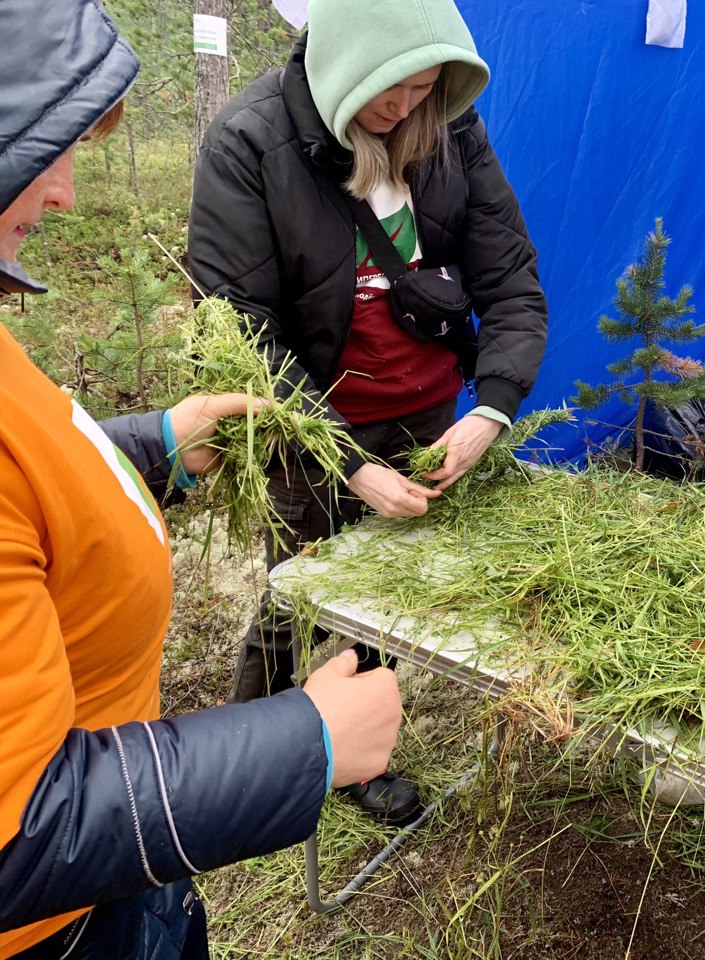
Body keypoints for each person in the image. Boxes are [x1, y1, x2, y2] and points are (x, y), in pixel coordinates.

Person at [0, 1, 406, 957]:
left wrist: (143, 445)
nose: (62, 193)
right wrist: (303, 744)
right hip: (59, 931)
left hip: (116, 885)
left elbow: (27, 467)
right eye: (41, 152)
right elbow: (20, 830)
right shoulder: (253, 140)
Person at [187, 0, 548, 824]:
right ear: (347, 65)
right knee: (299, 588)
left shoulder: (450, 129)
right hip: (310, 424)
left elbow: (513, 285)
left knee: (379, 592)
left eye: (427, 90)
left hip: (423, 413)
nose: (406, 109)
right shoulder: (250, 144)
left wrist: (489, 411)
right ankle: (251, 757)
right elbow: (242, 339)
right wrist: (347, 462)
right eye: (392, 91)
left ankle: (349, 757)